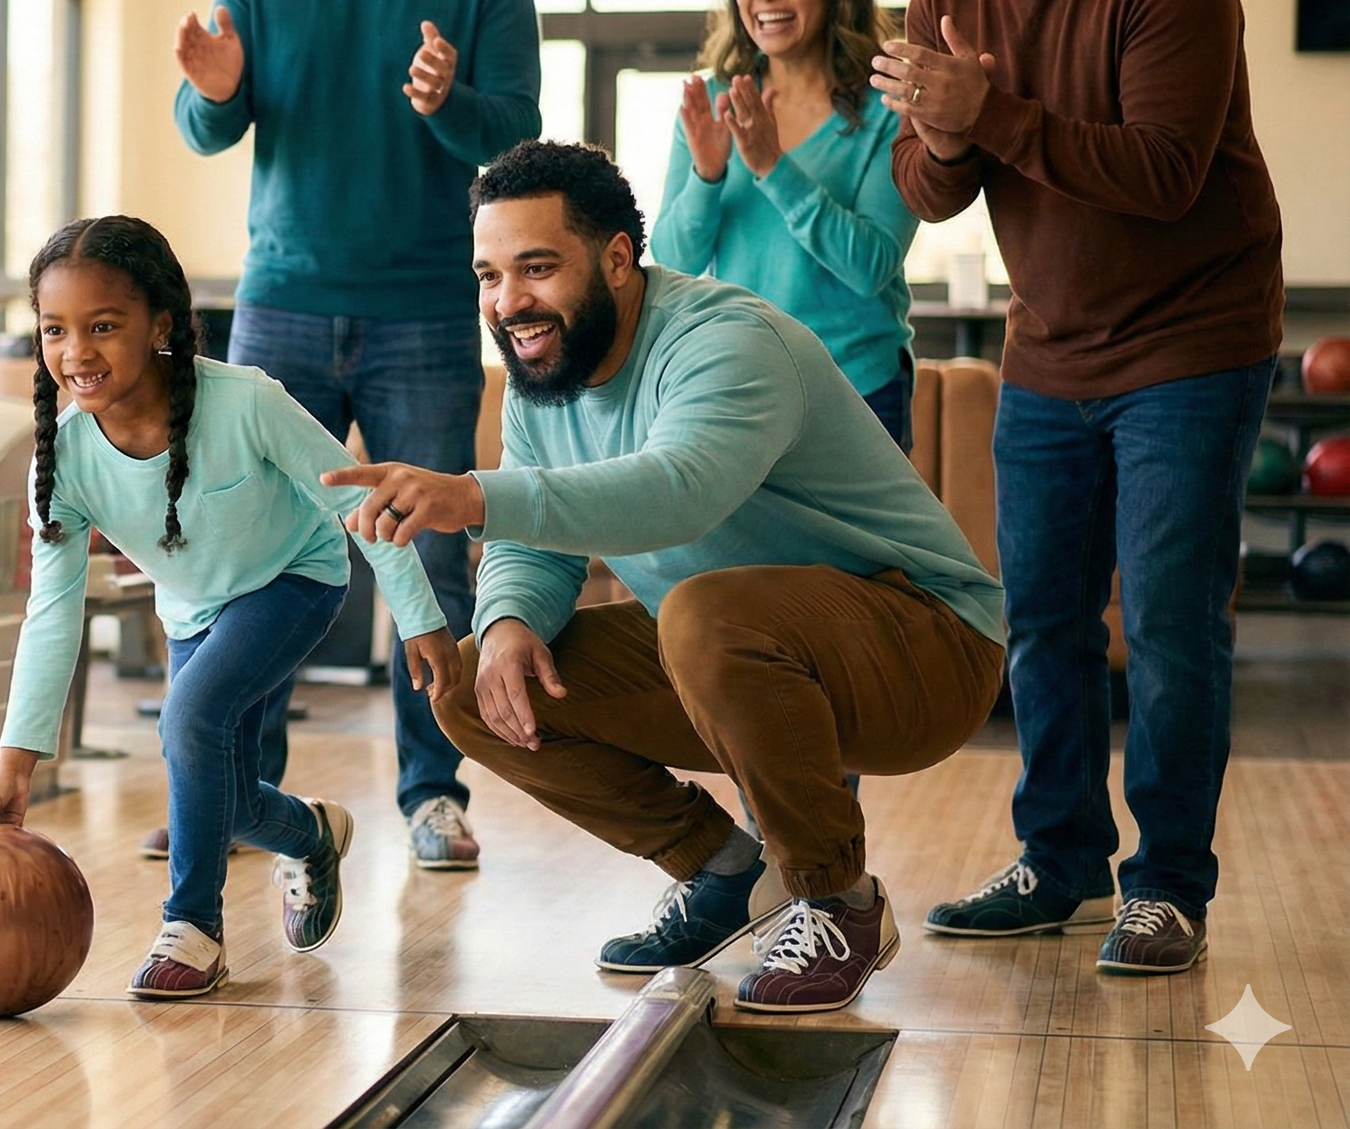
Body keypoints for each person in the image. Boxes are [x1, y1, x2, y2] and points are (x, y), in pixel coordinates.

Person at [328, 141, 1005, 1014]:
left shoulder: (725, 339)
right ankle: (723, 871)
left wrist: (468, 495)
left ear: (617, 258)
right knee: (468, 687)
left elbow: (678, 491)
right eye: (490, 275)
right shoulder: (548, 378)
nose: (509, 302)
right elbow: (537, 546)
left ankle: (838, 899)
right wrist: (503, 623)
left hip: (929, 648)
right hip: (735, 642)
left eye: (537, 268)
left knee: (701, 612)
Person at [878, 0, 1283, 975]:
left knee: (1164, 623)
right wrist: (950, 126)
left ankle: (1164, 886)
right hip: (1049, 349)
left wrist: (987, 114)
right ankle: (1056, 863)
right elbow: (924, 185)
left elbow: (1162, 174)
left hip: (1192, 342)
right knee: (1042, 621)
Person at [169, 0, 541, 872]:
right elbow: (205, 127)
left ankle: (431, 792)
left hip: (425, 309)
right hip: (281, 299)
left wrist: (448, 101)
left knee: (422, 555)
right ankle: (237, 790)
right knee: (254, 550)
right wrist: (215, 90)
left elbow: (515, 136)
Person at [0, 216, 458, 1000]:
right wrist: (16, 761)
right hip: (194, 611)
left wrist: (419, 617)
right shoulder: (61, 458)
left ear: (160, 326)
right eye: (55, 329)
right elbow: (52, 614)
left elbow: (358, 500)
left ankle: (192, 927)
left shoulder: (245, 403)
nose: (77, 351)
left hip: (294, 576)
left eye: (103, 326)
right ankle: (310, 832)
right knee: (214, 796)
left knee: (185, 721)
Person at [651, 0, 919, 450]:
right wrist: (706, 173)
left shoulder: (886, 107)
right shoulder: (715, 99)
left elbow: (871, 266)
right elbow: (675, 259)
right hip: (739, 381)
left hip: (858, 388)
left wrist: (773, 166)